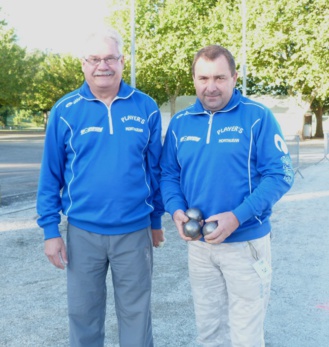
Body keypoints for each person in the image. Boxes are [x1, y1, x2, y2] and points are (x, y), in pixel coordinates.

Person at [37, 27, 164, 347]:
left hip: (134, 232)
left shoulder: (146, 108)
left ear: (123, 61)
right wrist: (50, 231)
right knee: (83, 315)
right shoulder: (65, 111)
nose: (102, 65)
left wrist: (156, 221)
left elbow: (156, 170)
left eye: (110, 58)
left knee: (136, 314)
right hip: (82, 233)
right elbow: (50, 175)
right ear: (83, 64)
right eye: (94, 58)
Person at [160, 45, 294, 347]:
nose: (211, 87)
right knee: (209, 332)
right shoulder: (181, 123)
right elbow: (168, 175)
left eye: (220, 78)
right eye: (203, 78)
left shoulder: (258, 117)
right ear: (193, 79)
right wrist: (176, 210)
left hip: (246, 244)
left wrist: (237, 217)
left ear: (234, 77)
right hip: (200, 247)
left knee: (246, 334)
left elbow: (280, 176)